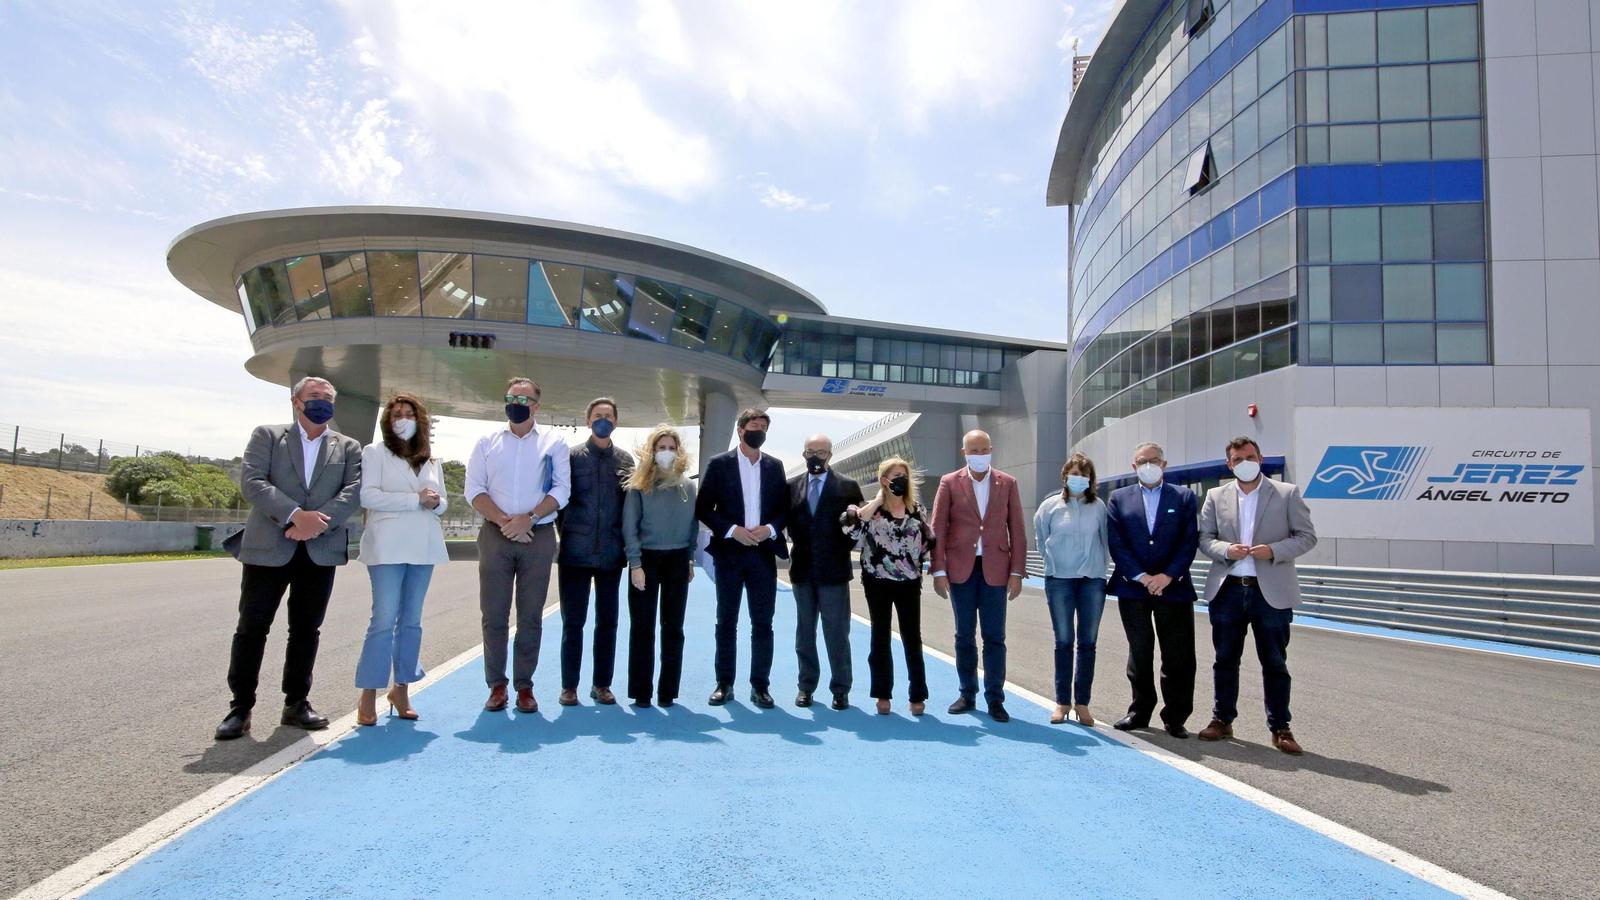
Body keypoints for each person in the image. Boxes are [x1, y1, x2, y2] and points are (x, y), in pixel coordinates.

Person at [215, 376, 362, 740]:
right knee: (252, 628)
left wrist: (315, 524)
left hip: (319, 549)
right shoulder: (267, 435)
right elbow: (253, 482)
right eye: (314, 396)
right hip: (269, 547)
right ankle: (240, 707)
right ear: (296, 401)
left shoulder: (348, 447)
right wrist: (296, 515)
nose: (321, 402)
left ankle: (296, 703)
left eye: (328, 397)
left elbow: (354, 491)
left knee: (306, 630)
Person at [1197, 438, 1319, 755]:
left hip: (1271, 592)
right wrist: (1226, 550)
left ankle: (1281, 727)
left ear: (1261, 459)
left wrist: (1273, 551)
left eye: (1250, 457)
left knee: (1275, 664)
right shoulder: (1215, 496)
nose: (1245, 462)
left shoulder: (1286, 493)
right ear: (1230, 464)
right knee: (1225, 661)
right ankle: (1222, 720)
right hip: (1228, 591)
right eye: (1238, 458)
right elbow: (1204, 539)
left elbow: (1307, 537)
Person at [465, 377, 571, 714]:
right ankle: (497, 685)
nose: (517, 403)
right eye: (511, 397)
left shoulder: (554, 443)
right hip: (496, 535)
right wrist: (505, 521)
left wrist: (530, 517)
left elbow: (561, 489)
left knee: (530, 616)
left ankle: (525, 686)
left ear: (537, 406)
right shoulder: (486, 441)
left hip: (537, 536)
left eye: (525, 399)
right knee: (494, 615)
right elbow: (474, 490)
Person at [354, 393, 448, 725]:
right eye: (396, 415)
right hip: (388, 546)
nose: (402, 419)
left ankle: (402, 689)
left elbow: (443, 503)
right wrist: (414, 500)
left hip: (423, 546)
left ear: (420, 420)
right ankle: (368, 693)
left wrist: (435, 502)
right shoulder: (374, 452)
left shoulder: (430, 459)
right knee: (382, 620)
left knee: (411, 621)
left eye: (408, 414)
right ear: (387, 421)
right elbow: (368, 495)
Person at [695, 408, 791, 708]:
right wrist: (732, 530)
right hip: (730, 554)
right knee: (726, 621)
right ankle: (724, 683)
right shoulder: (719, 464)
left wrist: (772, 529)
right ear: (740, 429)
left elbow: (784, 510)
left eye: (764, 426)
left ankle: (760, 686)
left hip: (763, 555)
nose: (758, 430)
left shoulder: (775, 466)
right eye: (754, 425)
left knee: (763, 623)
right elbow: (703, 508)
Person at [930, 430, 1027, 723]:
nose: (980, 455)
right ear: (964, 453)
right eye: (974, 450)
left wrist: (1017, 572)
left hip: (996, 569)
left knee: (995, 637)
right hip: (961, 568)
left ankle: (995, 698)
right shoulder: (949, 482)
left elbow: (1018, 530)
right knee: (964, 636)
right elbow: (938, 528)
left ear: (991, 450)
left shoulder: (1008, 483)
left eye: (984, 450)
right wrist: (938, 569)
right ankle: (967, 694)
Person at [1106, 441, 1200, 738]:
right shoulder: (1118, 498)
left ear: (1164, 464)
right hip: (1133, 588)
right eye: (1142, 461)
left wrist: (1168, 575)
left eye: (1154, 460)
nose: (1149, 465)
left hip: (1173, 588)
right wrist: (1142, 576)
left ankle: (1176, 716)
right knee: (1140, 653)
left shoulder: (1184, 497)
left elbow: (1189, 541)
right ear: (1134, 467)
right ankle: (1139, 711)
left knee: (1179, 656)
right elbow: (1116, 542)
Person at [556, 398, 635, 707]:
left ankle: (602, 684)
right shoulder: (571, 457)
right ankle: (569, 686)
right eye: (597, 416)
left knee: (608, 622)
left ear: (616, 422)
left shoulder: (625, 461)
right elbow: (561, 503)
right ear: (587, 421)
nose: (603, 420)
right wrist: (572, 534)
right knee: (573, 622)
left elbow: (629, 508)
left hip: (612, 554)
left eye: (609, 416)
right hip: (575, 553)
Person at [842, 457, 934, 716]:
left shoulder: (917, 510)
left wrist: (916, 564)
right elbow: (851, 530)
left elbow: (927, 542)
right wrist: (878, 500)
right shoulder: (872, 510)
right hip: (877, 582)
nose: (901, 480)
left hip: (908, 583)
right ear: (884, 479)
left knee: (912, 637)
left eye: (904, 475)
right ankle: (883, 693)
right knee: (880, 637)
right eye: (895, 476)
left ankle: (917, 694)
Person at [784, 434, 864, 710]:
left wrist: (838, 548)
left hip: (834, 571)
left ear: (831, 455)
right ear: (803, 454)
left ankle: (840, 689)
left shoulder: (848, 486)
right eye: (811, 451)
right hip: (802, 571)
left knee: (837, 632)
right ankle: (806, 687)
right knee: (805, 632)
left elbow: (857, 527)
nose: (816, 456)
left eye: (821, 452)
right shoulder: (790, 486)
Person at [622, 425, 698, 708]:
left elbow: (692, 526)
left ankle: (668, 692)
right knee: (642, 628)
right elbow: (630, 527)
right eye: (661, 447)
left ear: (679, 452)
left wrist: (690, 558)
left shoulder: (688, 486)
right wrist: (635, 563)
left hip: (677, 560)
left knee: (673, 628)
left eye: (671, 447)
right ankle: (642, 692)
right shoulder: (639, 486)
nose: (666, 452)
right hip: (647, 560)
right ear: (651, 451)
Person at [1034, 453, 1110, 727]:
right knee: (1064, 641)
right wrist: (1055, 562)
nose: (1078, 478)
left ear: (1090, 479)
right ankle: (1062, 702)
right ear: (1065, 476)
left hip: (1092, 580)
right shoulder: (1049, 506)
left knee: (1088, 642)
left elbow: (1106, 541)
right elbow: (1041, 539)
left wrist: (1099, 567)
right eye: (1073, 473)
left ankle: (1083, 703)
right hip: (1059, 579)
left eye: (1083, 474)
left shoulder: (1099, 507)